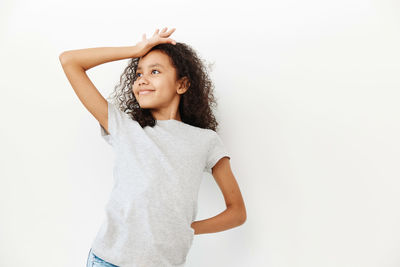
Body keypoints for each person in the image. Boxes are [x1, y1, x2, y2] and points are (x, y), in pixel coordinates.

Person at [59, 27, 247, 267]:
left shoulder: (206, 141)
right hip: (107, 260)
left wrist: (187, 228)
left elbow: (237, 212)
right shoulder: (124, 127)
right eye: (138, 74)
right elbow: (70, 61)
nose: (142, 80)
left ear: (182, 84)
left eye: (155, 71)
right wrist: (135, 50)